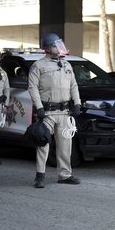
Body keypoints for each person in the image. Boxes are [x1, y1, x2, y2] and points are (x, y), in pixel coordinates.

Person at [28, 33, 82, 187]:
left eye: (59, 45)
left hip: (65, 112)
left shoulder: (66, 64)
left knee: (66, 144)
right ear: (46, 48)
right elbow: (32, 88)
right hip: (47, 112)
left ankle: (65, 175)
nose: (58, 49)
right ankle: (40, 175)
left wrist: (77, 103)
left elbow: (74, 85)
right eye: (54, 46)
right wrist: (38, 107)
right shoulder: (38, 66)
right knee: (43, 143)